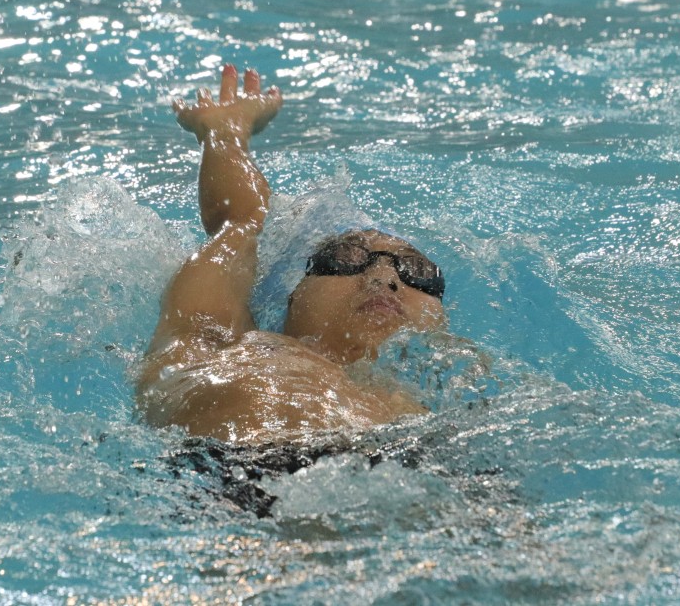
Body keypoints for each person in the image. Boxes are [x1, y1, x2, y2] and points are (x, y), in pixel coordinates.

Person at [138, 65, 448, 444]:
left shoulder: (432, 413)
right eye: (348, 258)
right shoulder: (224, 347)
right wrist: (226, 131)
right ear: (291, 293)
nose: (386, 278)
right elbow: (239, 222)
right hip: (240, 481)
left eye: (416, 271)